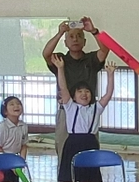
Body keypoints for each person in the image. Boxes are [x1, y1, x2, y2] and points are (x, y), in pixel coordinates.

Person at [49, 56, 115, 182]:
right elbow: (63, 87)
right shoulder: (70, 106)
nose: (84, 94)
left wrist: (110, 75)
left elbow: (108, 95)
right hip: (73, 145)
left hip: (90, 146)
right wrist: (60, 69)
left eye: (87, 91)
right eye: (80, 91)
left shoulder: (96, 108)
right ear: (74, 95)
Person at [41, 17, 111, 155]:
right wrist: (60, 33)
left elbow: (104, 50)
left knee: (90, 154)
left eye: (79, 36)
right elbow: (46, 54)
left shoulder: (91, 59)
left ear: (84, 42)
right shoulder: (61, 59)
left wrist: (94, 31)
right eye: (71, 37)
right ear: (65, 43)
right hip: (66, 110)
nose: (75, 39)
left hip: (88, 111)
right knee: (64, 151)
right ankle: (65, 177)